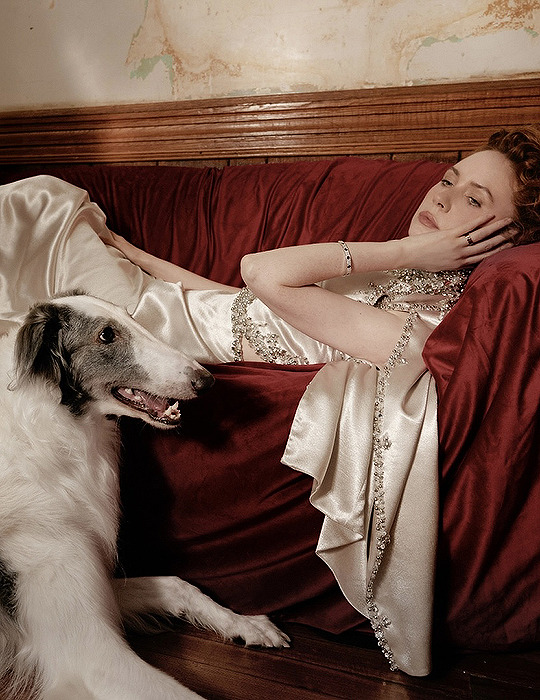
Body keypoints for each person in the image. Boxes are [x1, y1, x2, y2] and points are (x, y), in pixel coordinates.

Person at [0, 126, 538, 676]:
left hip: (145, 334)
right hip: (152, 304)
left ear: (509, 237)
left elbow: (260, 271)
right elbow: (236, 299)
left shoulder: (419, 330)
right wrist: (133, 255)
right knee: (40, 204)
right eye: (447, 179)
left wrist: (408, 249)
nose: (442, 197)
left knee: (33, 218)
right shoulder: (397, 279)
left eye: (474, 200)